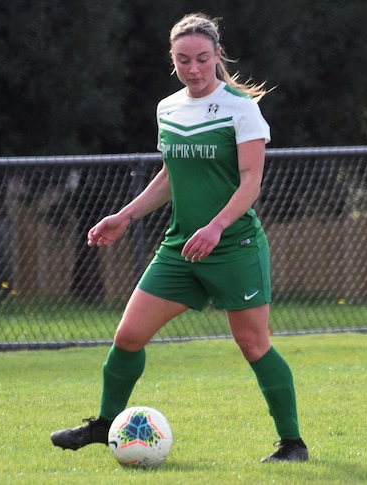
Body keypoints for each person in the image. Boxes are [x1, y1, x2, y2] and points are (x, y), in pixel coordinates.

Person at [50, 12, 308, 463]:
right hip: (181, 246)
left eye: (202, 59)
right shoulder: (167, 108)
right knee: (128, 336)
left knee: (253, 344)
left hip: (234, 246)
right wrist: (125, 215)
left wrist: (217, 226)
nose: (193, 68)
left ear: (218, 56)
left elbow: (250, 182)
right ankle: (104, 425)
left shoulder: (241, 107)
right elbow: (171, 175)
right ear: (172, 60)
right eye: (183, 60)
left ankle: (292, 444)